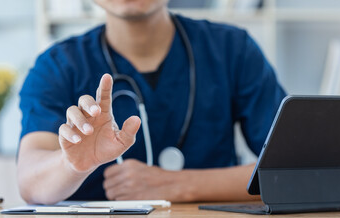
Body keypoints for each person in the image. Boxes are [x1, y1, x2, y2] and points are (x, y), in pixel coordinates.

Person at [17, 0, 286, 204]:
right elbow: (30, 184)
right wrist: (70, 166)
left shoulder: (233, 49)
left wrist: (179, 184)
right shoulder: (56, 67)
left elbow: (291, 170)